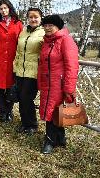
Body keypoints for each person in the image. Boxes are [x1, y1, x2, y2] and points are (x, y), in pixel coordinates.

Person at [38, 14, 79, 154]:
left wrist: (68, 88)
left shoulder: (66, 40)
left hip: (59, 85)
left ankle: (50, 141)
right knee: (54, 111)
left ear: (58, 26)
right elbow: (42, 65)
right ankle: (60, 139)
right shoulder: (47, 42)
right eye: (46, 25)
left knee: (52, 112)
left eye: (51, 25)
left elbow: (72, 65)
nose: (48, 28)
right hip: (48, 84)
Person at [0, 0, 23, 122]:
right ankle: (3, 112)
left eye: (5, 8)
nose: (3, 10)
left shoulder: (18, 23)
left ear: (9, 8)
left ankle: (9, 111)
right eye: (1, 9)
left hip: (13, 60)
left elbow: (21, 42)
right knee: (0, 88)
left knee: (11, 87)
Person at [13, 8, 45, 133]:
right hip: (20, 70)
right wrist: (15, 67)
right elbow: (18, 51)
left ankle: (32, 125)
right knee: (21, 98)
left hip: (33, 72)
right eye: (30, 17)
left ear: (40, 18)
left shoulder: (43, 32)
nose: (33, 19)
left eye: (36, 17)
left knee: (27, 98)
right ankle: (24, 123)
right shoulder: (23, 31)